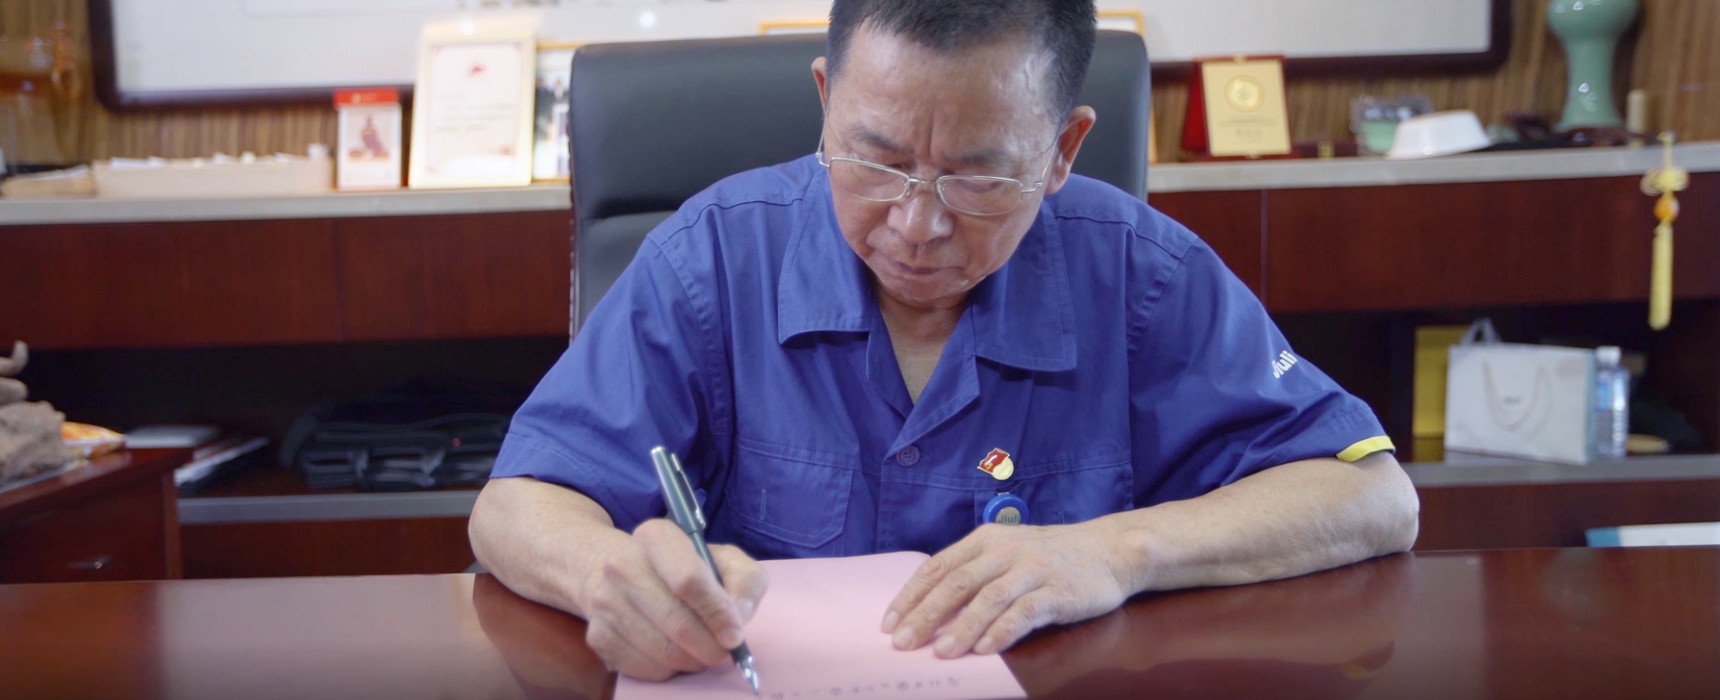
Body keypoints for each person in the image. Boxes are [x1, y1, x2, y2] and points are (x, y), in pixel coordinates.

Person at [469, 0, 1419, 682]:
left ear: (1062, 151)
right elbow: (516, 504)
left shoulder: (1142, 274)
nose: (915, 226)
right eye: (876, 159)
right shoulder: (713, 257)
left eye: (977, 179)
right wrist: (609, 577)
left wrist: (1116, 551)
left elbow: (1371, 497)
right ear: (825, 98)